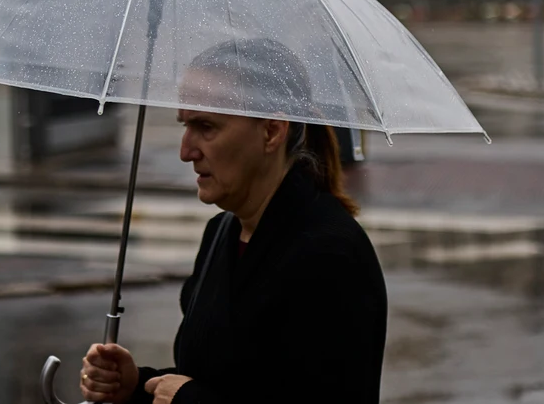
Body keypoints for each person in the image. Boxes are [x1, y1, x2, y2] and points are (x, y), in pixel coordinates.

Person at [79, 38, 388, 403]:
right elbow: (219, 379)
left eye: (206, 126)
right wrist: (136, 386)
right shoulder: (222, 232)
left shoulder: (329, 254)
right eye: (184, 125)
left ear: (272, 132)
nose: (186, 151)